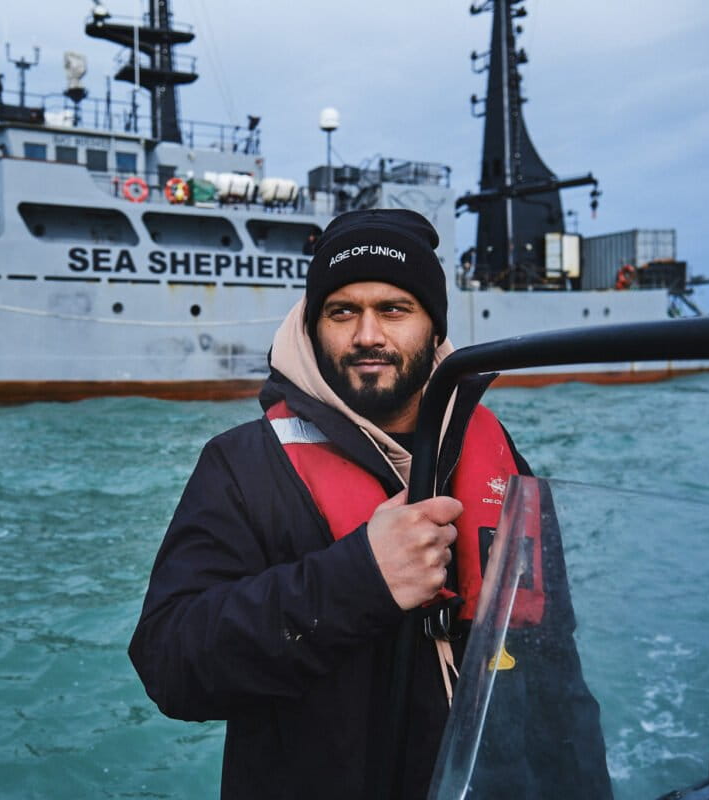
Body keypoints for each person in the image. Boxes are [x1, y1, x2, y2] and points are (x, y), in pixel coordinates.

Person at [129, 209, 610, 799]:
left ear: (435, 327)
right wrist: (358, 579)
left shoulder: (499, 452)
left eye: (394, 309)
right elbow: (170, 661)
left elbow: (557, 668)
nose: (367, 335)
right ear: (312, 326)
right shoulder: (242, 464)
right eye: (342, 311)